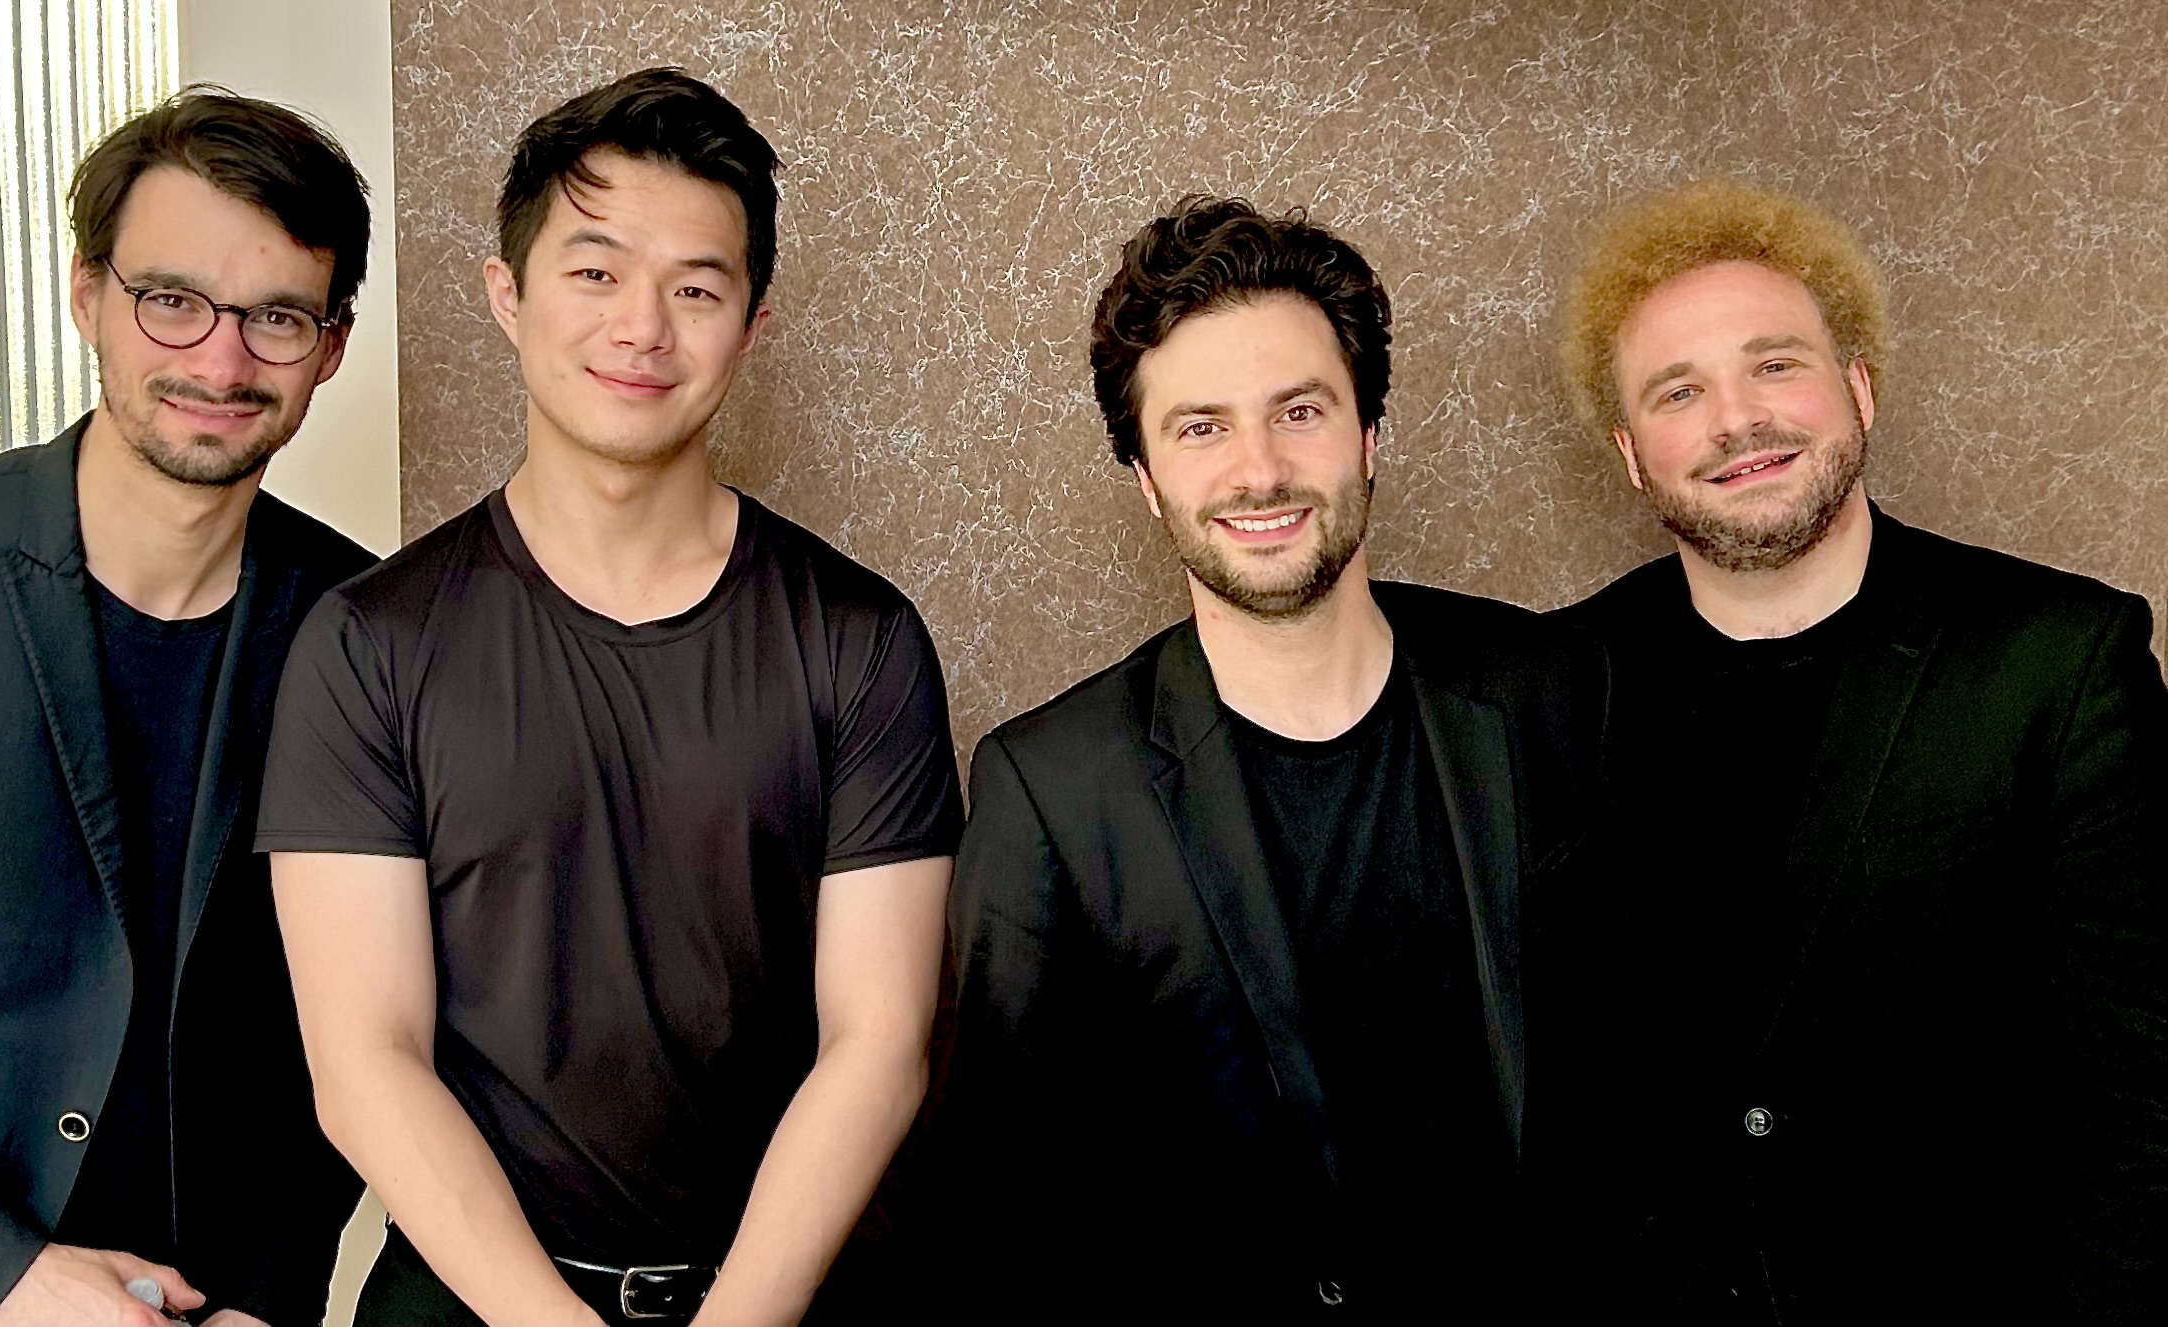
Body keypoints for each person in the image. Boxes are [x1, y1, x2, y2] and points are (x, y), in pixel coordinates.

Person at [257, 68, 962, 1326]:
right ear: (507, 293)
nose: (643, 328)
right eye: (594, 272)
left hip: (788, 1297)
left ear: (749, 326)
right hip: (468, 1300)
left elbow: (879, 1040)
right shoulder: (367, 644)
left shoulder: (860, 640)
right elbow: (366, 1062)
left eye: (696, 289)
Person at [924, 197, 1601, 1321]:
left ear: (1368, 433)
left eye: (1299, 410)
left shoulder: (1552, 690)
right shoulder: (1051, 791)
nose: (1260, 469)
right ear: (1146, 477)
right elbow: (1001, 1212)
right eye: (1201, 428)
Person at [0, 90, 376, 1326]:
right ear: (87, 296)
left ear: (331, 345)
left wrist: (266, 1292)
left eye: (277, 317)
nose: (220, 361)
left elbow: (367, 1026)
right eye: (172, 299)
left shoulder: (370, 628)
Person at [1545, 177, 2168, 1320]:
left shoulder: (2059, 660)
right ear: (1632, 454)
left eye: (1774, 364)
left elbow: (2144, 1096)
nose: (1736, 420)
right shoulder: (1548, 685)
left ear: (1859, 388)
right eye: (1680, 390)